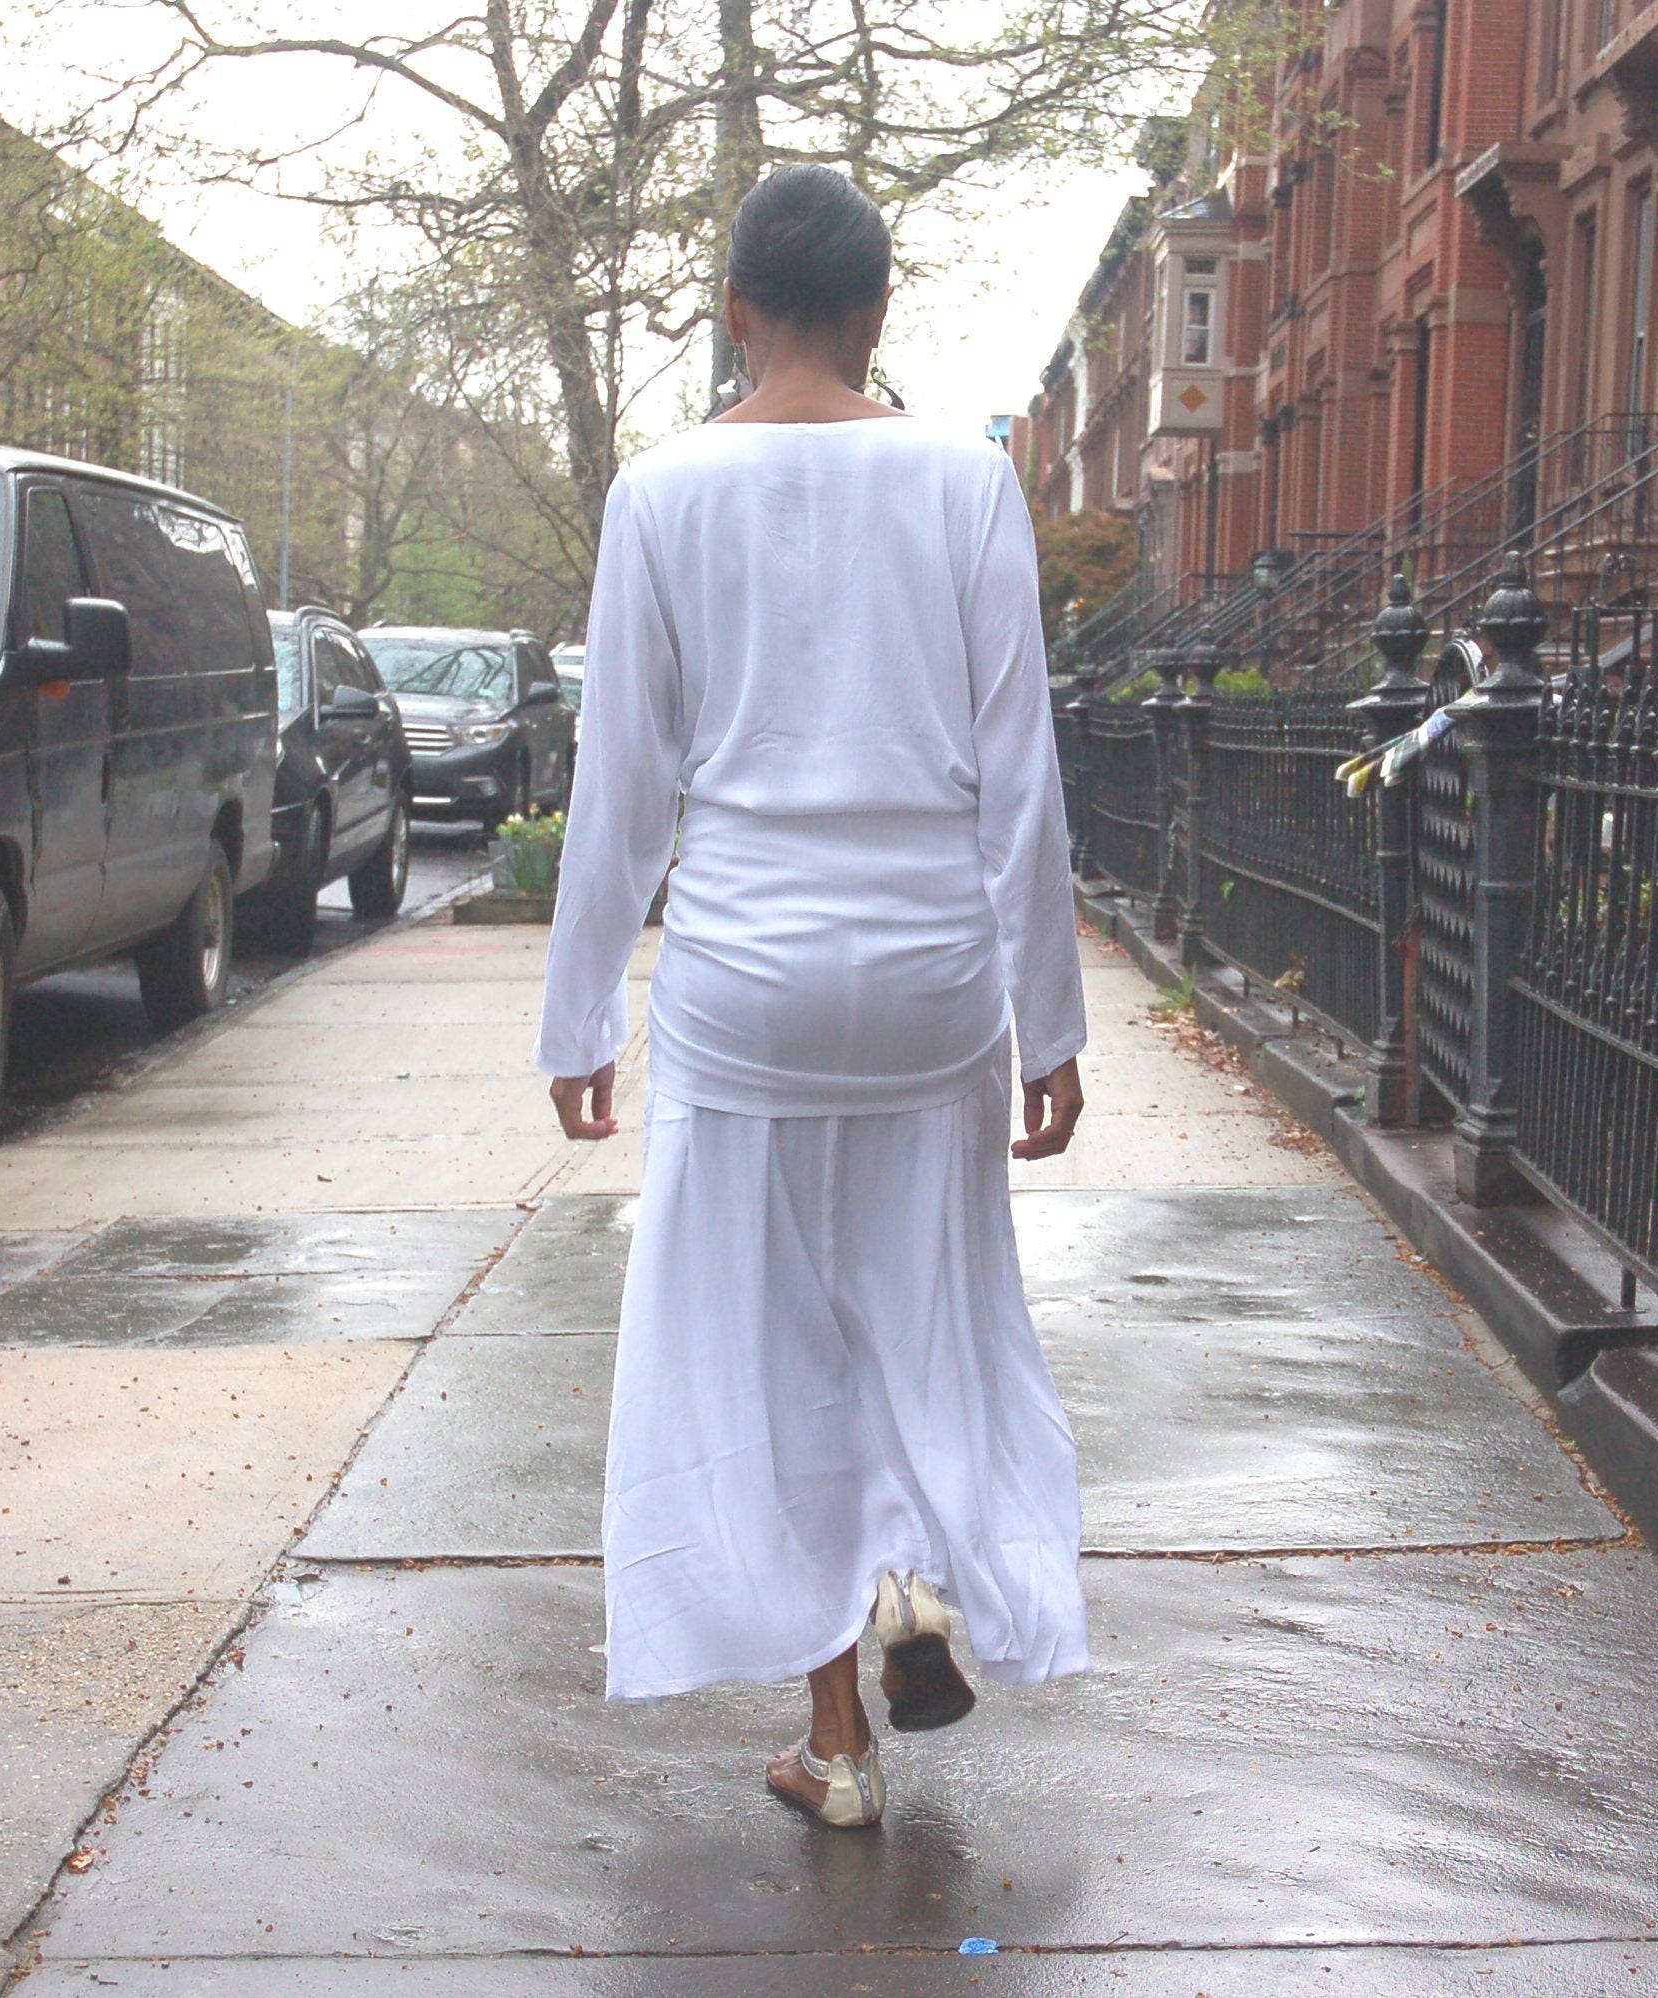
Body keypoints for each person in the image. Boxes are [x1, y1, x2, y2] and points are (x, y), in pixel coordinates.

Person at [535, 163, 1088, 1831]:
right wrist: (1048, 1022)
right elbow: (1020, 775)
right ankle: (913, 1578)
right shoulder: (964, 479)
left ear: (734, 313)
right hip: (928, 977)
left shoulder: (661, 492)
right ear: (876, 313)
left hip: (745, 980)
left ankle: (837, 1740)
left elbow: (621, 783)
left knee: (770, 1349)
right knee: (927, 1306)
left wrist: (579, 1018)